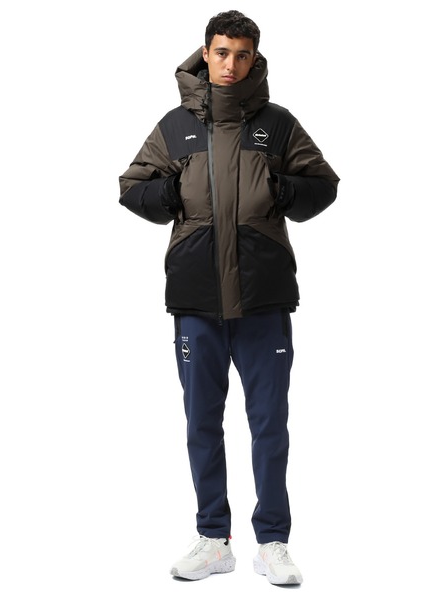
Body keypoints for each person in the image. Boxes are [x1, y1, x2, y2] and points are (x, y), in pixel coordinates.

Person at [118, 9, 339, 586]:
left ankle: (273, 542)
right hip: (196, 300)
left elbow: (323, 185)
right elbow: (132, 187)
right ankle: (214, 538)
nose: (230, 65)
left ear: (253, 59)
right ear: (206, 54)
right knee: (201, 422)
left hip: (264, 300)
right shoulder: (175, 127)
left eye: (242, 55)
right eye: (222, 53)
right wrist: (170, 193)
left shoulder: (278, 124)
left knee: (270, 424)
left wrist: (280, 188)